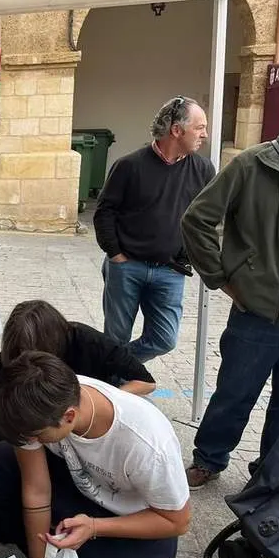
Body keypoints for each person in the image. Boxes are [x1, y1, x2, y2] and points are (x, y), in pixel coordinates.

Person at [0, 351, 191, 558]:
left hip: (138, 520)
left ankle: (91, 550)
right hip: (74, 483)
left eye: (37, 437)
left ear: (68, 416)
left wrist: (94, 527)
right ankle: (43, 539)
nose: (31, 441)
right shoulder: (32, 407)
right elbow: (36, 489)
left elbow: (177, 522)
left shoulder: (148, 446)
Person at [180, 125, 279, 488]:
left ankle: (270, 472)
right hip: (257, 311)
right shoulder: (252, 164)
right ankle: (208, 459)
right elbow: (197, 219)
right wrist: (225, 279)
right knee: (235, 392)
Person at [93, 96, 214, 362]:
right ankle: (112, 386)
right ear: (176, 130)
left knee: (165, 338)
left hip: (170, 271)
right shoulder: (129, 166)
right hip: (126, 267)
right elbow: (104, 211)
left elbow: (207, 218)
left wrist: (192, 255)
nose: (205, 134)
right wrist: (115, 254)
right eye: (200, 127)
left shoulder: (204, 169)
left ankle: (119, 365)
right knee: (115, 337)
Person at [0, 300, 155, 426]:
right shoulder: (19, 352)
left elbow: (146, 382)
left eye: (32, 355)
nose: (26, 360)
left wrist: (102, 399)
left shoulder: (89, 343)